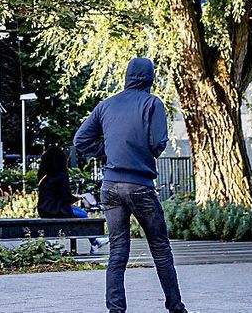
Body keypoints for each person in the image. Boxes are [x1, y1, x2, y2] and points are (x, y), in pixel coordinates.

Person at [74, 57, 188, 313]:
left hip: (111, 186)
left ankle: (116, 310)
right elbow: (158, 142)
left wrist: (109, 152)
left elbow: (80, 139)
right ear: (150, 78)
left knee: (117, 253)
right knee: (160, 249)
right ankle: (176, 308)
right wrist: (139, 153)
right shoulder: (152, 103)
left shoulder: (106, 105)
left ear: (127, 76)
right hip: (140, 186)